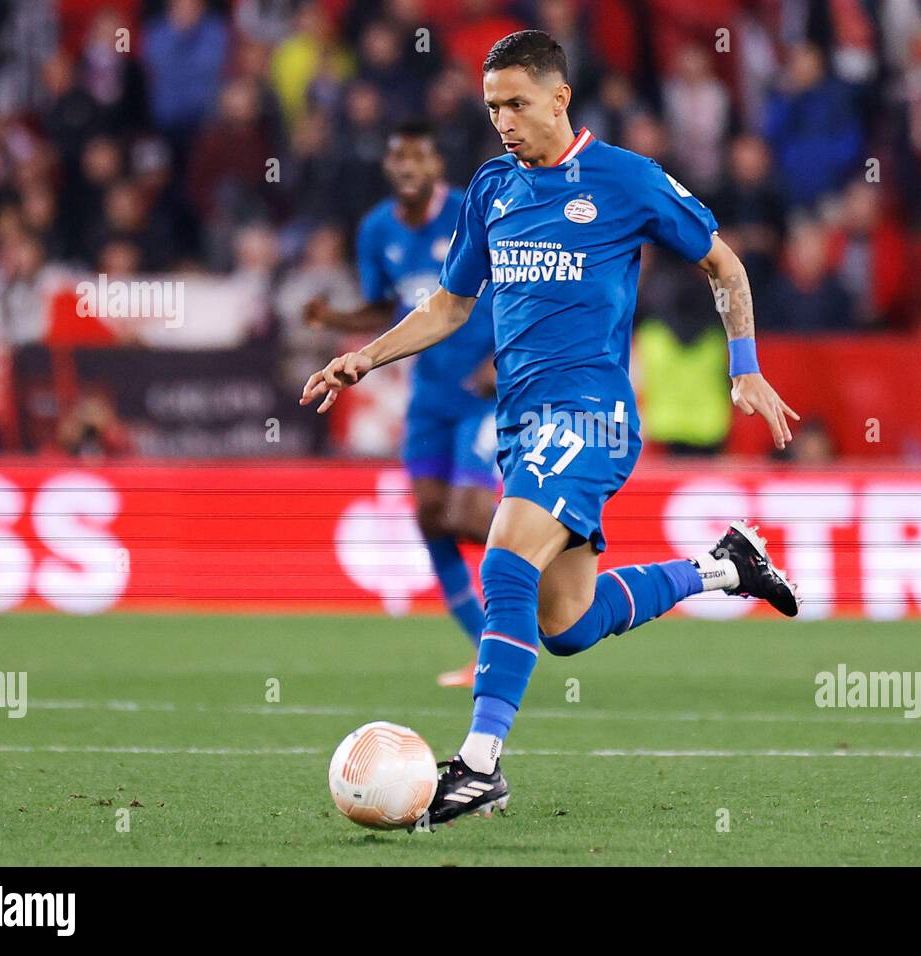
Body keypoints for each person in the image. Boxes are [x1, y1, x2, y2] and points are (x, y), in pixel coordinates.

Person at [300, 31, 800, 828]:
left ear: (559, 98)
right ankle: (724, 568)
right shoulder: (492, 187)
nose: (502, 120)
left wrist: (744, 367)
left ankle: (478, 765)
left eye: (517, 104)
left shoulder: (626, 180)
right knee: (563, 623)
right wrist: (365, 357)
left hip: (591, 417)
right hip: (522, 426)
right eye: (492, 105)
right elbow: (450, 304)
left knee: (504, 560)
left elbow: (725, 265)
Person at [306, 120, 498, 689]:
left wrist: (503, 357)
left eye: (420, 156)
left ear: (438, 166)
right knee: (429, 517)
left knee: (466, 515)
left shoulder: (472, 210)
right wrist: (334, 320)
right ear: (389, 167)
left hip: (486, 388)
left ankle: (549, 557)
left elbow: (516, 284)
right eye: (399, 156)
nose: (409, 166)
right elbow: (386, 308)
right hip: (429, 393)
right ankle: (488, 648)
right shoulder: (375, 230)